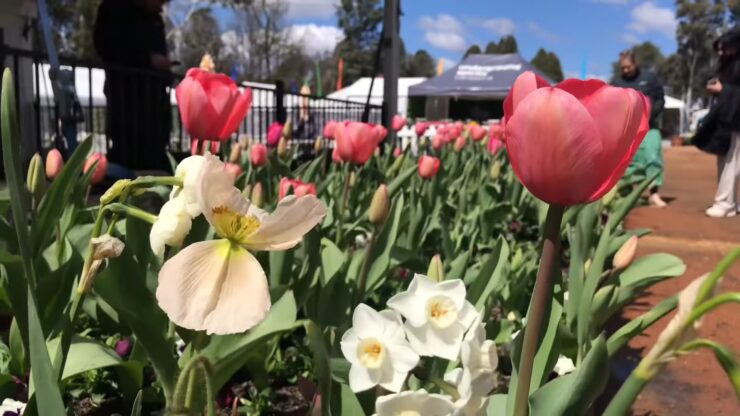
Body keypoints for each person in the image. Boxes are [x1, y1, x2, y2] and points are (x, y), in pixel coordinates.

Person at [93, 0, 172, 172]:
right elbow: (108, 47)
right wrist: (148, 60)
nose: (161, 6)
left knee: (155, 153)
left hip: (156, 103)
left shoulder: (155, 19)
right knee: (130, 152)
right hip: (128, 101)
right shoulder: (115, 10)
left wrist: (166, 70)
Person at [612, 50, 668, 207]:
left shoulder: (649, 78)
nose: (625, 71)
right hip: (628, 129)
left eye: (628, 67)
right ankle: (628, 195)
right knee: (628, 161)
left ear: (635, 64)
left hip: (650, 127)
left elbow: (660, 99)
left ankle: (653, 194)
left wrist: (651, 115)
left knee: (652, 158)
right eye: (622, 68)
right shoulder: (617, 82)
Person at [698, 29, 740, 218]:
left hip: (735, 121)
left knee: (731, 163)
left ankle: (724, 203)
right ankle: (728, 202)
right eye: (719, 49)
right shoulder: (727, 66)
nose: (721, 53)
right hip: (726, 120)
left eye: (725, 49)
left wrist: (724, 90)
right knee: (727, 162)